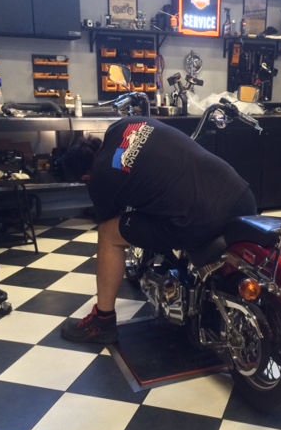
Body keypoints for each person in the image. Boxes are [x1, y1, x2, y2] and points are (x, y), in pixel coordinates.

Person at [60, 116, 256, 344]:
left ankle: (102, 321)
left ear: (85, 177)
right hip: (241, 196)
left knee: (108, 233)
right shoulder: (126, 124)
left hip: (201, 221)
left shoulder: (99, 178)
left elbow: (110, 217)